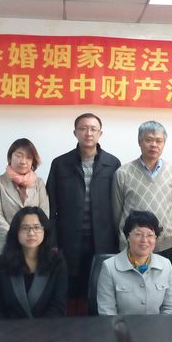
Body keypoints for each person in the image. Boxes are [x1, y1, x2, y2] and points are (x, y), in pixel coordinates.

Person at [46, 113, 121, 312]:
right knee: (70, 288)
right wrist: (52, 241)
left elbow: (119, 205)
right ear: (75, 132)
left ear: (100, 133)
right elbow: (50, 206)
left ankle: (97, 328)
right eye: (83, 128)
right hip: (69, 238)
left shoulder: (112, 163)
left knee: (100, 287)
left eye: (93, 129)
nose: (88, 133)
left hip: (103, 238)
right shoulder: (60, 164)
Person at [112, 121, 172, 269]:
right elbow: (117, 212)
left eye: (159, 141)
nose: (154, 145)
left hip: (165, 244)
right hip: (133, 244)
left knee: (162, 281)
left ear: (164, 144)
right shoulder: (123, 173)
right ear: (139, 142)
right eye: (149, 140)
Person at [0, 207, 67, 319]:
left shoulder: (57, 262)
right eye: (24, 228)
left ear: (45, 231)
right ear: (15, 232)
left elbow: (58, 307)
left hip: (46, 328)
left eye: (36, 227)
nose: (31, 233)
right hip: (6, 328)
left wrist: (40, 328)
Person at [96, 211, 172, 315]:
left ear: (155, 238)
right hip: (122, 325)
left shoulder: (166, 265)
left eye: (150, 235)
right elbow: (107, 311)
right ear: (128, 237)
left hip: (157, 325)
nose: (144, 240)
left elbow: (171, 308)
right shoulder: (109, 267)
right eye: (138, 234)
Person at [0, 138, 49, 257]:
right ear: (10, 157)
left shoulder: (39, 183)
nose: (23, 161)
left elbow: (44, 215)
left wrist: (32, 236)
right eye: (19, 156)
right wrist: (16, 237)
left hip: (34, 248)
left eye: (28, 157)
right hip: (5, 247)